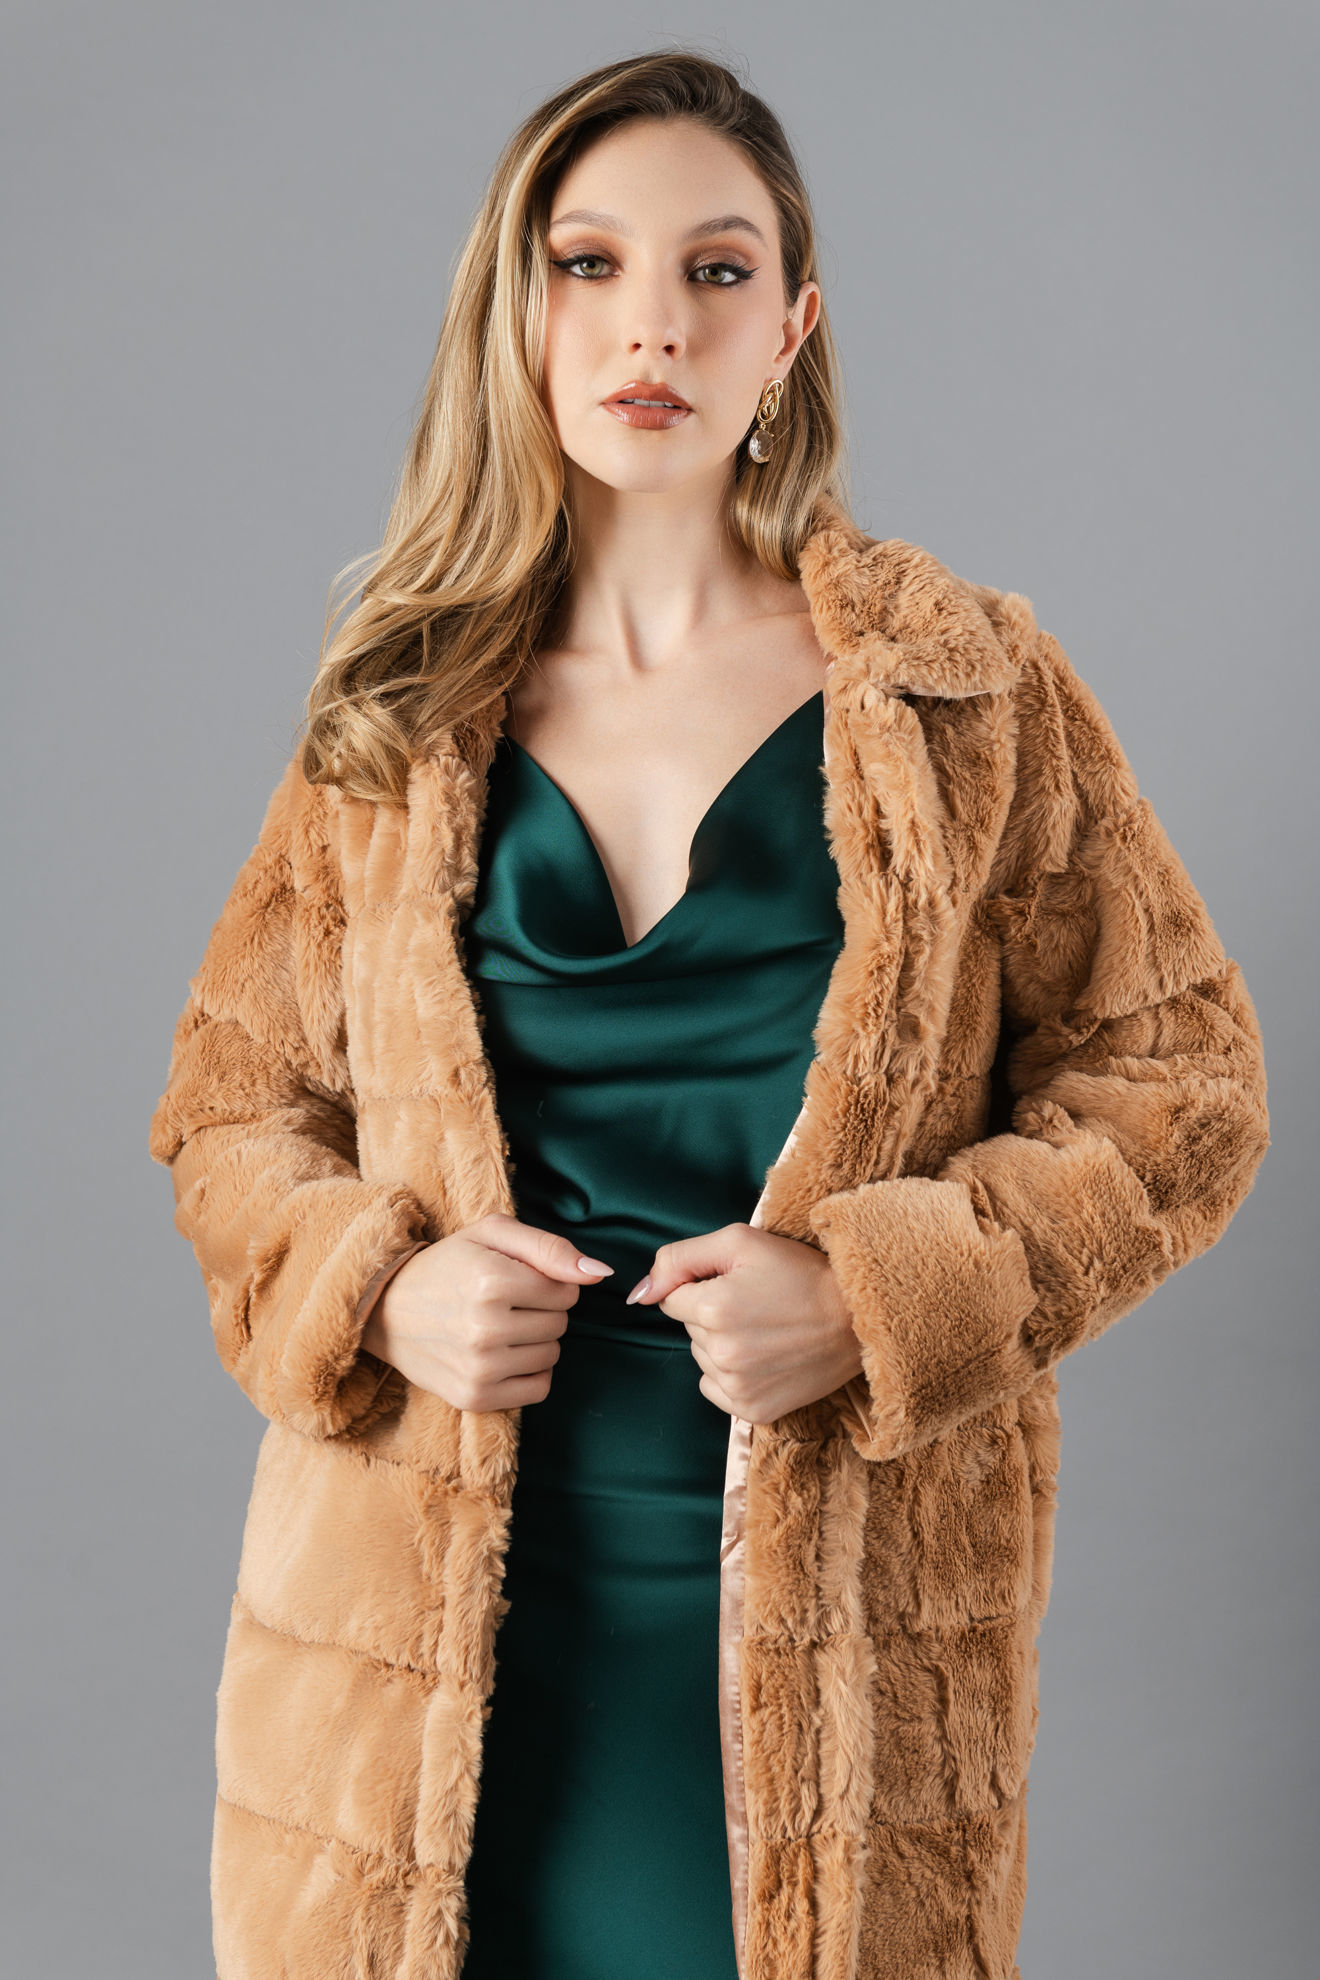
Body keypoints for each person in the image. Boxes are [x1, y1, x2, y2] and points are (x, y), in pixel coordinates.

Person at [147, 48, 1270, 1980]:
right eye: (589, 263)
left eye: (717, 270)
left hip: (838, 1635)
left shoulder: (965, 692)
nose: (652, 323)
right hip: (421, 1643)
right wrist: (380, 1290)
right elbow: (230, 1116)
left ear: (793, 328)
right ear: (516, 309)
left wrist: (880, 1294)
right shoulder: (398, 714)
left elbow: (1187, 1088)